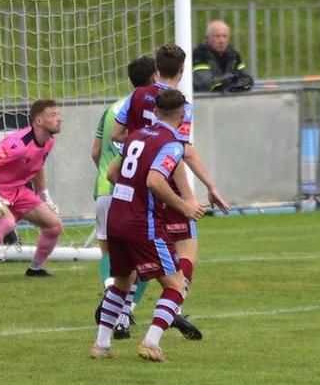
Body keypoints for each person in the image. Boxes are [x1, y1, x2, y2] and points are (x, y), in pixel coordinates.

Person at [112, 44, 230, 339]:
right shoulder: (178, 103)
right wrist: (209, 186)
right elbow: (184, 151)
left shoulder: (137, 96)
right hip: (168, 183)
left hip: (133, 182)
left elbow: (116, 135)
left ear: (156, 67)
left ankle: (123, 316)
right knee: (186, 248)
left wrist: (136, 146)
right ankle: (172, 308)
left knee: (138, 256)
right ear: (182, 69)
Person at [91, 88, 196, 362]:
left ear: (156, 112)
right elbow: (154, 181)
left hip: (117, 216)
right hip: (142, 223)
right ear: (182, 114)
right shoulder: (172, 144)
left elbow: (113, 173)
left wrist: (130, 190)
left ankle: (101, 345)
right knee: (177, 285)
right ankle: (151, 342)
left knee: (122, 282)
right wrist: (184, 206)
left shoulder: (136, 134)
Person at [0, 100, 64, 284]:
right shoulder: (18, 144)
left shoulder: (49, 142)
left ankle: (35, 268)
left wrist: (44, 195)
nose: (59, 119)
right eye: (53, 115)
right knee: (7, 223)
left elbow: (37, 165)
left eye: (58, 114)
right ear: (39, 121)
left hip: (15, 189)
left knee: (54, 226)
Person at [90, 55, 156, 339]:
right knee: (144, 257)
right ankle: (124, 312)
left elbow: (95, 152)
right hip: (133, 194)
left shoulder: (111, 109)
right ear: (154, 78)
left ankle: (110, 299)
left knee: (109, 253)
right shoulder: (146, 108)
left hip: (104, 192)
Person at [192, 20, 254, 93]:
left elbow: (247, 79)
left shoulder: (233, 54)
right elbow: (207, 83)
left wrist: (233, 84)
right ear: (207, 38)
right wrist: (233, 79)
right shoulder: (199, 54)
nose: (221, 41)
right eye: (217, 36)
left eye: (225, 36)